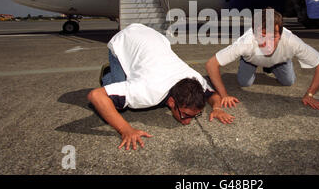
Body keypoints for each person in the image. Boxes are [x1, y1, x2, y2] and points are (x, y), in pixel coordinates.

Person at [88, 23, 234, 150]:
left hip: (154, 38)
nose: (188, 121)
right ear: (171, 102)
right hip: (125, 40)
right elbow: (96, 96)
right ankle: (108, 74)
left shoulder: (195, 79)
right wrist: (126, 129)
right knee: (117, 104)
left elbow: (212, 94)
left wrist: (217, 108)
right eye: (185, 115)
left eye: (194, 115)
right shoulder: (147, 92)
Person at [205, 8, 319, 110]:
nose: (268, 44)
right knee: (244, 83)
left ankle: (272, 65)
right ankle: (251, 61)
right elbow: (211, 64)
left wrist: (310, 94)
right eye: (262, 36)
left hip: (279, 61)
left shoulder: (291, 41)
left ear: (280, 35)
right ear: (254, 34)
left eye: (273, 36)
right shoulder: (245, 43)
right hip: (252, 60)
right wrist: (224, 95)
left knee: (288, 82)